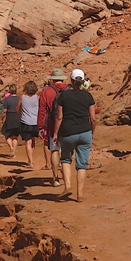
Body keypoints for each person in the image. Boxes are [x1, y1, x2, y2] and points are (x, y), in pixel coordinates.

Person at [53, 69, 96, 202]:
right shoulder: (88, 96)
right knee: (82, 164)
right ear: (83, 81)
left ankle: (67, 186)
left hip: (68, 132)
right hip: (85, 132)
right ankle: (80, 195)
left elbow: (59, 117)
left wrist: (55, 133)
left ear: (71, 80)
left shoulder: (64, 96)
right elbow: (93, 118)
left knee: (66, 159)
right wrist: (92, 132)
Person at [39, 68, 69, 186]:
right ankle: (66, 177)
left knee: (54, 150)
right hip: (68, 124)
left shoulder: (47, 91)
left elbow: (42, 111)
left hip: (53, 125)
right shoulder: (70, 89)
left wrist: (41, 127)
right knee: (66, 151)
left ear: (52, 80)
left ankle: (55, 178)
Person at [16, 81, 40, 169]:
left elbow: (17, 109)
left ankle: (30, 162)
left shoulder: (22, 97)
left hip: (25, 122)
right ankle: (31, 159)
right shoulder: (37, 97)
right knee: (33, 141)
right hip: (35, 122)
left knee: (28, 142)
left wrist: (22, 112)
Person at [0, 84, 21, 158]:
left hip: (9, 118)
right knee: (15, 136)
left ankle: (11, 147)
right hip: (17, 118)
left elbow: (4, 111)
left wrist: (1, 119)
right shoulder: (19, 98)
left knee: (7, 135)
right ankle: (13, 151)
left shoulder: (7, 99)